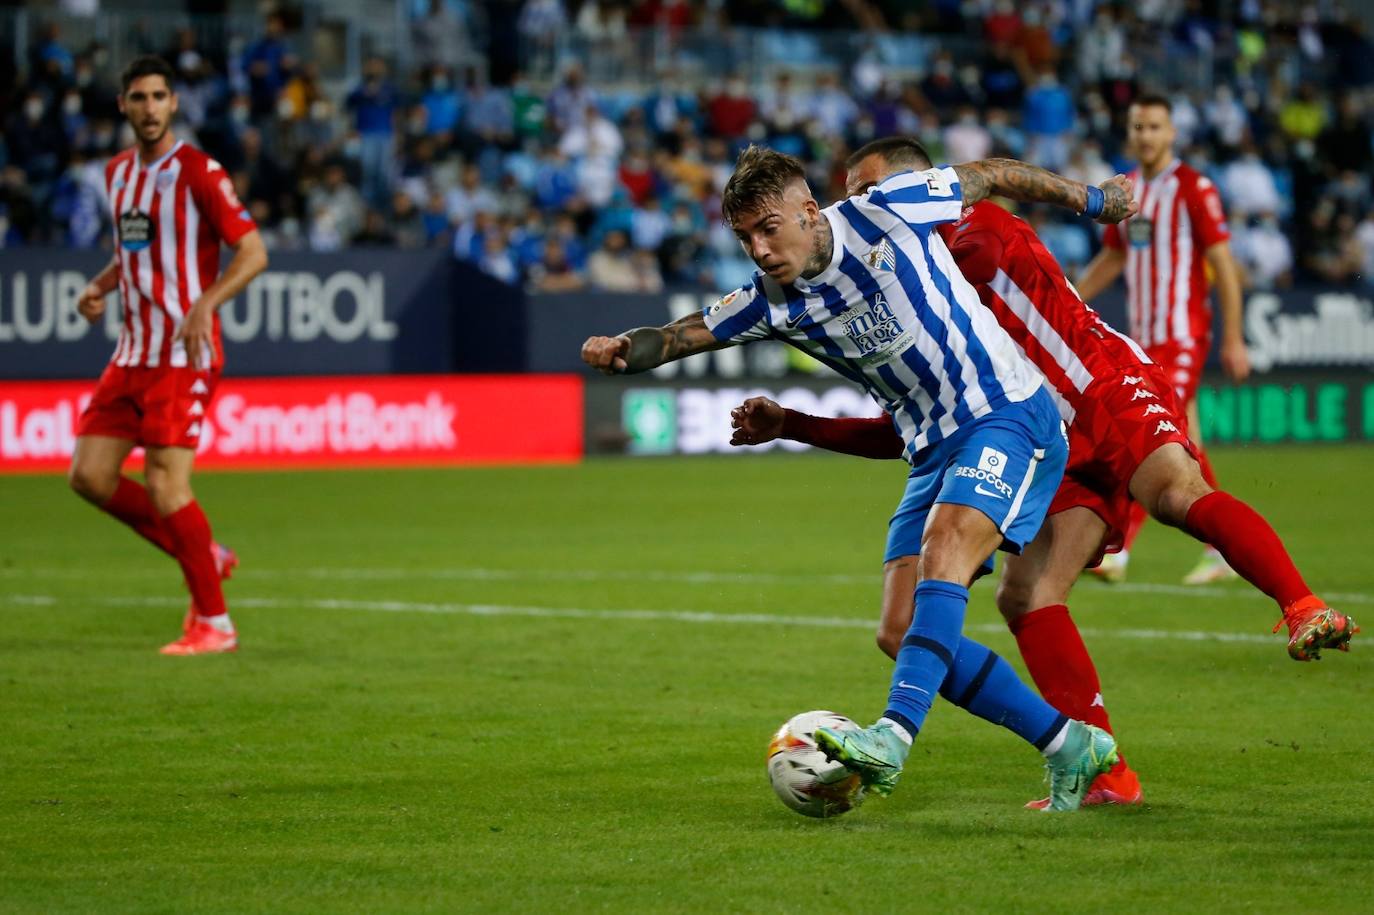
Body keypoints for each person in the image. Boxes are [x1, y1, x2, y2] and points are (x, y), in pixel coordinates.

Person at [728, 137, 1359, 805]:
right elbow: (907, 430)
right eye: (849, 196)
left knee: (1175, 492)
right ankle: (1104, 772)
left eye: (867, 191)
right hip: (1041, 436)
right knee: (1024, 595)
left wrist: (1083, 201)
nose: (852, 208)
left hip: (1098, 385)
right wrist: (795, 423)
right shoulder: (895, 286)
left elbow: (988, 203)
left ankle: (1304, 606)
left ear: (919, 186)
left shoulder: (970, 234)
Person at [583, 144, 1139, 811]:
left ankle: (893, 737)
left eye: (769, 228)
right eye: (744, 237)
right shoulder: (771, 300)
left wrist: (1096, 201)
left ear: (810, 212)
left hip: (1007, 413)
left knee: (945, 550)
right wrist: (625, 350)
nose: (758, 249)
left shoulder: (886, 210)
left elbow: (990, 175)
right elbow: (682, 334)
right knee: (899, 630)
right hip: (931, 449)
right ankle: (1068, 746)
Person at [67, 55, 269, 655]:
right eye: (138, 98)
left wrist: (207, 302)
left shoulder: (200, 171)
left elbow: (253, 252)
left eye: (159, 97)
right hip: (132, 352)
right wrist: (99, 286)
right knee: (89, 476)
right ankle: (205, 552)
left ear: (174, 104)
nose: (150, 108)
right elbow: (135, 254)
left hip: (184, 352)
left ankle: (215, 623)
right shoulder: (117, 175)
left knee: (165, 483)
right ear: (123, 106)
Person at [1075, 94, 1249, 585]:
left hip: (1183, 333)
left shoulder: (1193, 187)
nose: (1145, 135)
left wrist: (1233, 337)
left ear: (1171, 133)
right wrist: (1066, 296)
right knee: (1184, 440)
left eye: (1154, 126)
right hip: (1144, 340)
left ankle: (1120, 550)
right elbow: (1113, 258)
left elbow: (1224, 266)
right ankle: (1224, 546)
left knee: (1145, 434)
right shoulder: (1128, 192)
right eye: (1138, 126)